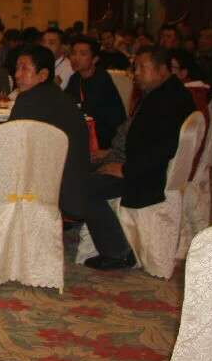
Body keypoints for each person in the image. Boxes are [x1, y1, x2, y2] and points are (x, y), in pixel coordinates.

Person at [81, 46, 197, 270]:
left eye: (143, 68)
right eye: (135, 68)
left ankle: (117, 252)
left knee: (84, 187)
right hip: (145, 168)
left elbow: (160, 150)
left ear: (162, 70)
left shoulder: (166, 102)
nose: (136, 73)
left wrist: (124, 170)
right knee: (84, 170)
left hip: (146, 177)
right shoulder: (169, 92)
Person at [0, 46, 90, 220]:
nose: (17, 75)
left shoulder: (27, 99)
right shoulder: (63, 98)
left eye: (24, 69)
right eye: (17, 68)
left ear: (43, 75)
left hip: (38, 192)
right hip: (73, 191)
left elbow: (9, 152)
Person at [64, 37, 127, 150]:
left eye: (83, 54)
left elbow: (111, 119)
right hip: (82, 132)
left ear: (95, 59)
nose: (76, 58)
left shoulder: (102, 79)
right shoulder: (75, 78)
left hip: (102, 139)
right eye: (73, 53)